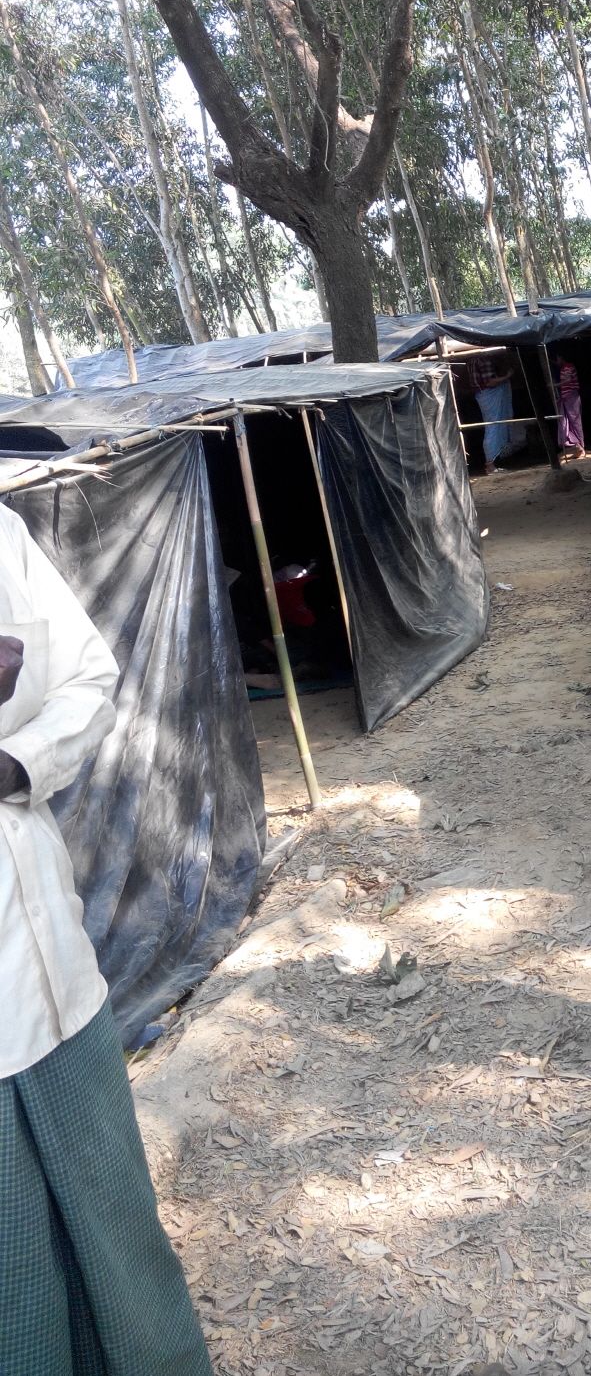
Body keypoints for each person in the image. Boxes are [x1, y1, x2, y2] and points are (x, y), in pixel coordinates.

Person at [0, 505, 212, 1373]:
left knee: (116, 1216)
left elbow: (86, 674)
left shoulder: (0, 535)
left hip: (59, 973)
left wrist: (19, 762)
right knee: (16, 1274)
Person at [466, 347, 525, 476]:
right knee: (493, 427)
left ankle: (491, 463)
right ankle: (490, 465)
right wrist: (507, 376)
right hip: (489, 394)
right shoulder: (483, 359)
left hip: (481, 395)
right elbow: (490, 382)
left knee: (491, 426)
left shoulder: (471, 359)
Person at [553, 349, 586, 460]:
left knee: (575, 422)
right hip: (567, 397)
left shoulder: (568, 367)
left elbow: (568, 380)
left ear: (562, 358)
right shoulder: (565, 367)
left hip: (571, 397)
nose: (557, 360)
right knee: (570, 422)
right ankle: (576, 445)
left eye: (557, 358)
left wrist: (555, 385)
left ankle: (581, 447)